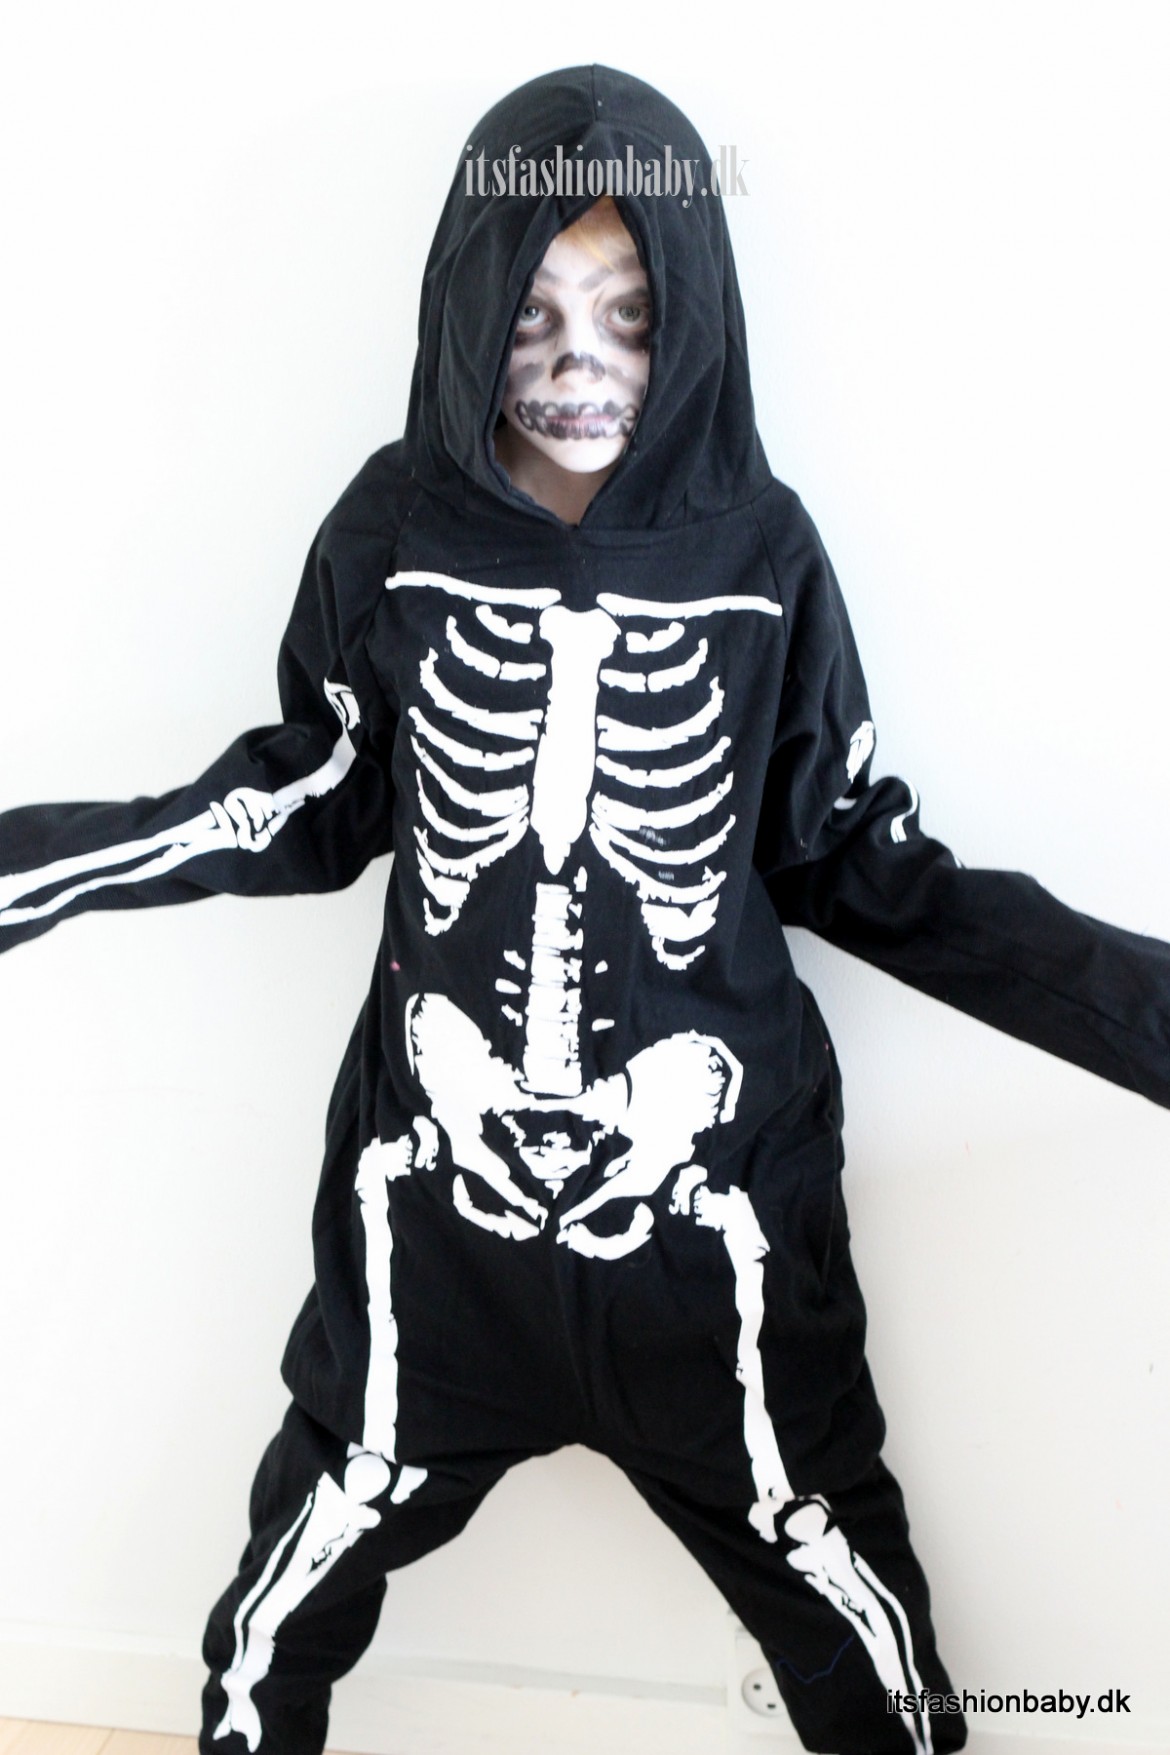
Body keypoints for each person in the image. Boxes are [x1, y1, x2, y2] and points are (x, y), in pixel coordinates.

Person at [1, 62, 1167, 1755]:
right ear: (469, 305)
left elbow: (852, 858)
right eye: (533, 310)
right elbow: (306, 796)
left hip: (713, 1223)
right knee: (270, 1631)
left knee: (859, 1624)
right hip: (434, 1233)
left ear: (692, 318)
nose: (574, 363)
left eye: (627, 315)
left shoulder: (760, 553)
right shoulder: (391, 531)